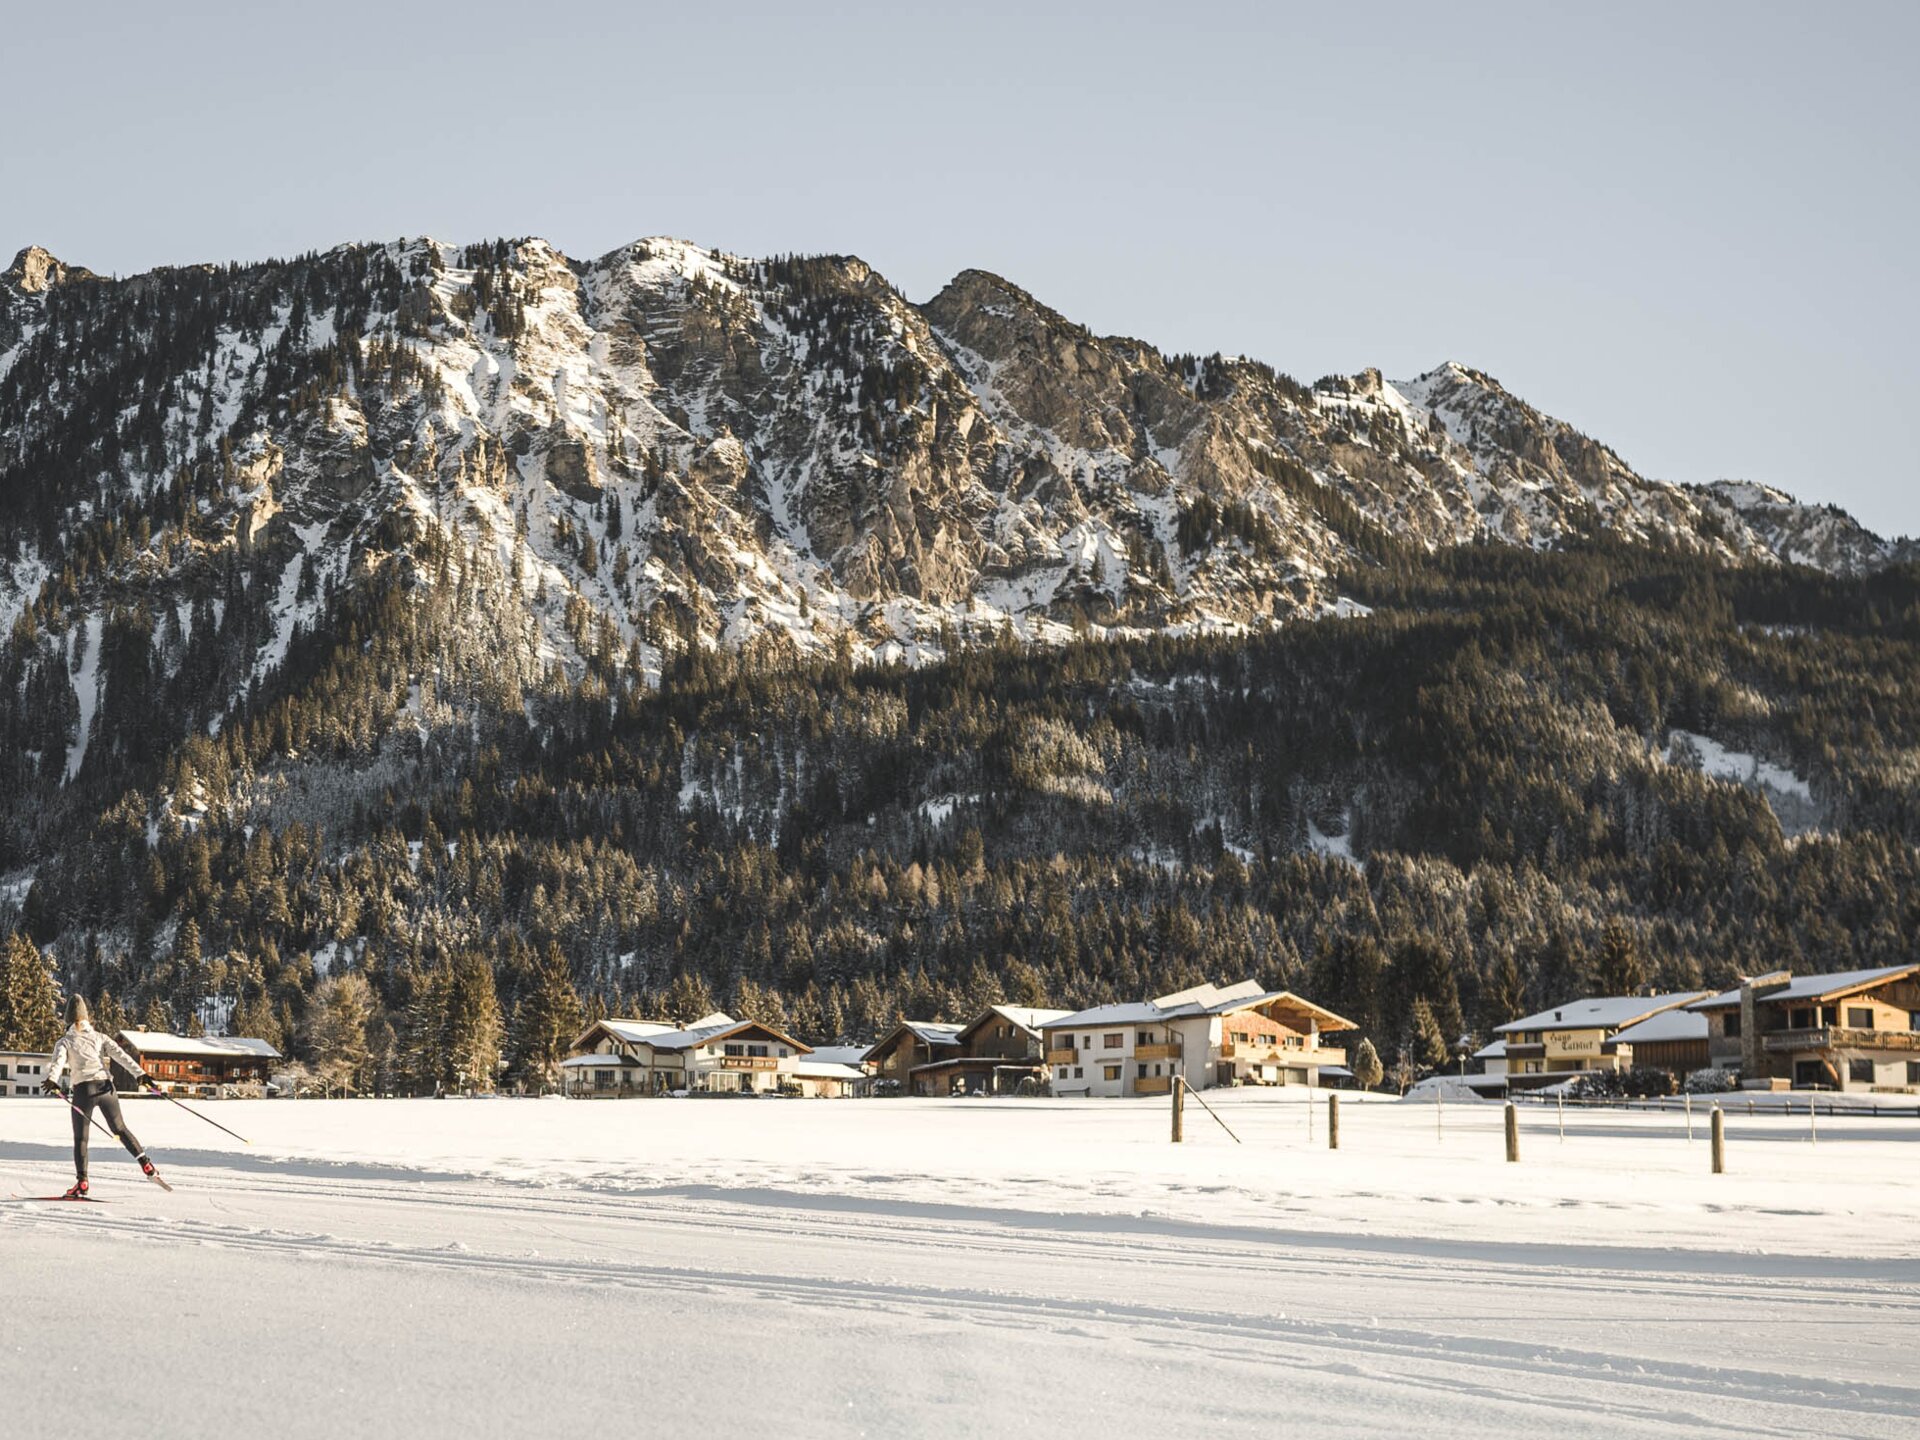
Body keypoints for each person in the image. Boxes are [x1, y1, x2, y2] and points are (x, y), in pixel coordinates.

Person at [43, 996, 165, 1197]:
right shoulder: (100, 1037)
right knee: (120, 1129)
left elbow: (58, 1062)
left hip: (84, 1091)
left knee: (81, 1139)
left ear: (67, 1020)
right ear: (86, 1018)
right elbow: (121, 1055)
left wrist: (52, 1080)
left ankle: (82, 1183)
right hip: (106, 1088)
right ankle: (147, 1165)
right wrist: (140, 1075)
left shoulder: (65, 1041)